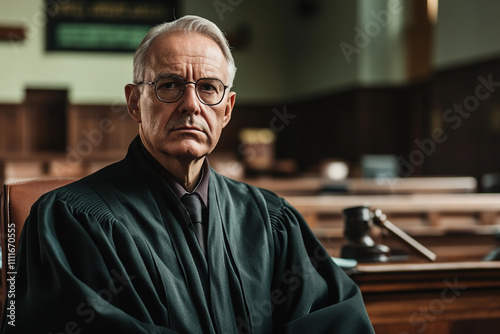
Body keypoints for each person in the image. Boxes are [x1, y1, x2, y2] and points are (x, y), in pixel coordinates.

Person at [0, 15, 375, 333]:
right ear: (134, 102)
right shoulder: (69, 219)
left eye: (209, 88)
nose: (191, 105)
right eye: (169, 86)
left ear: (226, 110)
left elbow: (334, 319)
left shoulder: (271, 218)